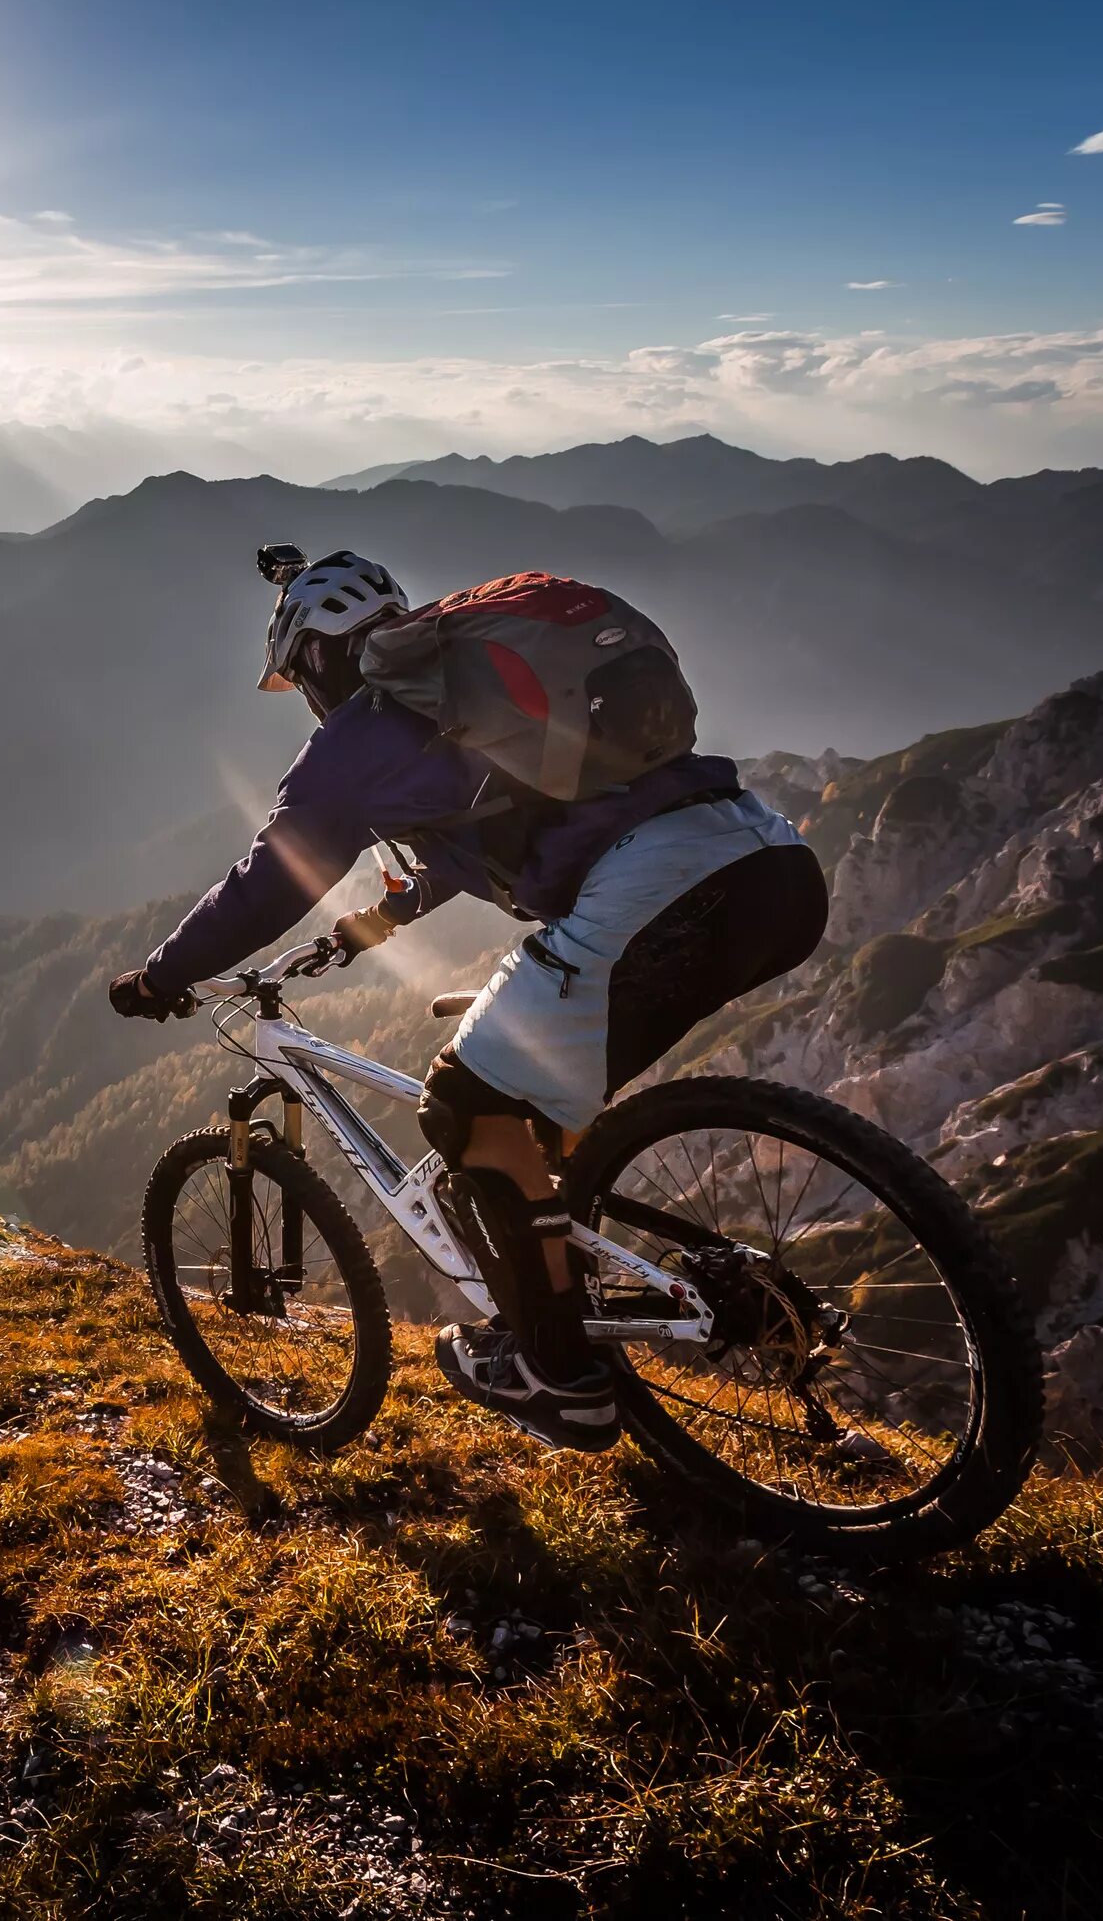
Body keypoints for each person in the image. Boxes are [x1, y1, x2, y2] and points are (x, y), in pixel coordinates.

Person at [107, 546, 828, 1450]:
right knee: (524, 1117)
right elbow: (474, 831)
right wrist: (373, 922)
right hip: (770, 862)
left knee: (462, 1104)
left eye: (300, 677)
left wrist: (162, 975)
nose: (311, 697)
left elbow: (270, 880)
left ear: (319, 656)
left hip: (657, 889)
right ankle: (566, 1284)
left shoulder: (360, 732)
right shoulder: (464, 695)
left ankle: (560, 1375)